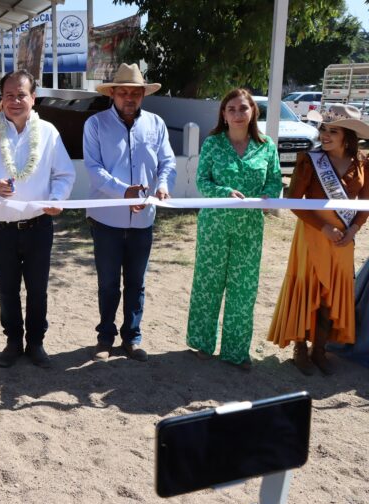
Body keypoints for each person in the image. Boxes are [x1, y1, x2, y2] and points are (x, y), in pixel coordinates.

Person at [0, 70, 75, 368]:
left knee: (38, 288)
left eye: (22, 95)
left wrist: (57, 199)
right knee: (7, 287)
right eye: (9, 95)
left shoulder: (49, 132)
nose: (15, 101)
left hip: (39, 225)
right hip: (1, 229)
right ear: (2, 98)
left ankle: (36, 342)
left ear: (33, 98)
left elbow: (64, 174)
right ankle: (13, 340)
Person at [83, 63, 176, 363]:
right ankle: (105, 338)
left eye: (135, 92)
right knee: (108, 283)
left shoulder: (156, 124)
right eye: (123, 92)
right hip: (106, 219)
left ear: (143, 95)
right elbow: (94, 170)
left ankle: (132, 338)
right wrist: (125, 191)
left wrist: (162, 186)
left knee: (136, 282)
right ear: (112, 93)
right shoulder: (95, 125)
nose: (129, 98)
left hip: (144, 219)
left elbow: (168, 162)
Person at [268, 104, 369, 376]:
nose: (324, 134)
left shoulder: (363, 163)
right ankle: (300, 349)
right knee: (308, 291)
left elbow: (365, 204)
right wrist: (324, 227)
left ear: (348, 136)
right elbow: (294, 203)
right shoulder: (309, 160)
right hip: (312, 236)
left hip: (343, 241)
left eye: (332, 131)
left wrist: (353, 231)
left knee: (330, 296)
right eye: (323, 128)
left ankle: (320, 349)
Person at [185, 89, 281, 371]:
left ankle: (236, 351)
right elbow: (202, 181)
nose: (237, 114)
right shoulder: (213, 143)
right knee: (208, 284)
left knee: (243, 289)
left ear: (253, 111)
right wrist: (225, 191)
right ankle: (203, 343)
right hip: (214, 226)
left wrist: (268, 197)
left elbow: (275, 181)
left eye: (243, 108)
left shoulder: (267, 146)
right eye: (231, 109)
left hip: (250, 229)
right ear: (224, 115)